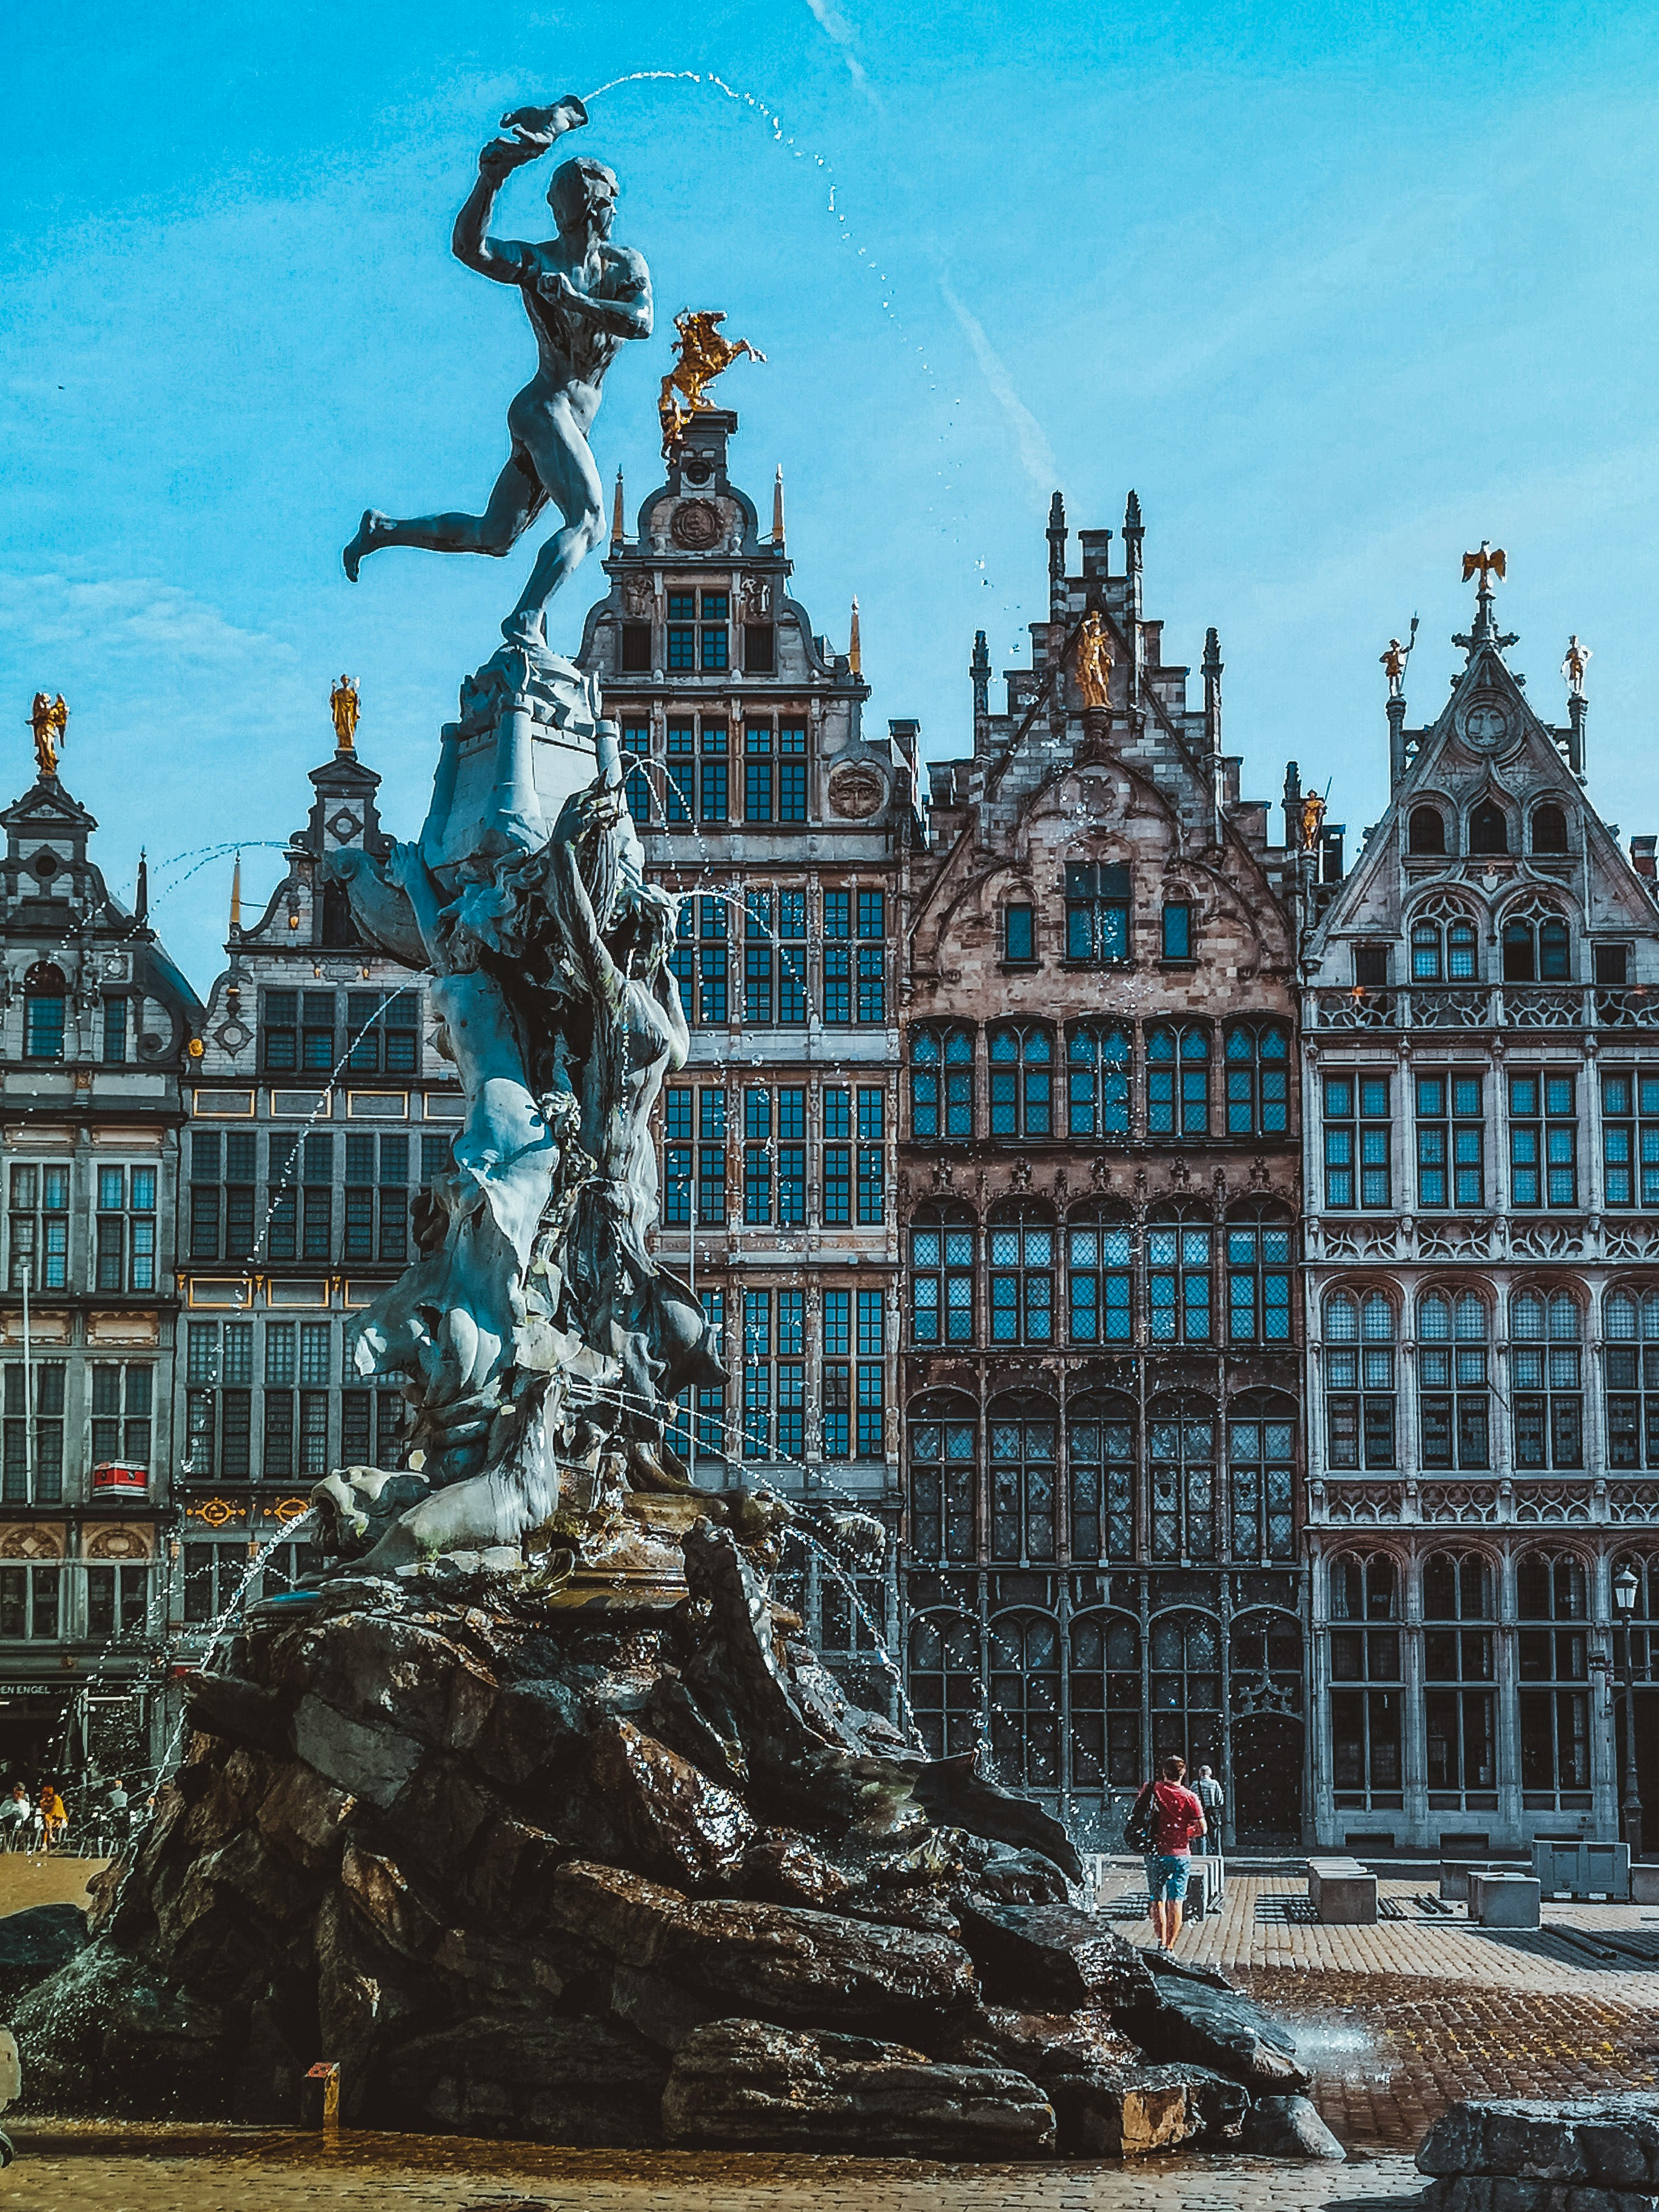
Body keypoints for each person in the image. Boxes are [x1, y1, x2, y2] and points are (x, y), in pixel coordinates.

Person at [343, 98, 653, 649]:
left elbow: (642, 322)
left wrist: (578, 301)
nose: (616, 213)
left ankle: (384, 530)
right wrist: (490, 181)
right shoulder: (539, 262)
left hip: (567, 420)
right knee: (589, 520)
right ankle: (526, 621)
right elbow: (470, 248)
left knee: (493, 537)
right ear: (594, 207)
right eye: (613, 201)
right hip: (545, 408)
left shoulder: (624, 265)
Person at [1131, 1754, 1207, 1952]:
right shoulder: (1191, 1798)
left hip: (1156, 1852)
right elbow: (1202, 1829)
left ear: (1164, 1772)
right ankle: (1170, 1947)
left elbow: (1140, 1812)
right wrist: (1186, 1833)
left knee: (1157, 1899)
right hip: (1180, 1855)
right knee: (1177, 1900)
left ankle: (1161, 1941)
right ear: (1183, 1775)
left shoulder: (1153, 1789)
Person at [1195, 1763, 1224, 1853]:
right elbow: (1220, 1800)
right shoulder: (1215, 1784)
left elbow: (1192, 1800)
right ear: (1210, 1774)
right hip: (1212, 1814)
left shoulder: (1195, 1785)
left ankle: (1202, 1854)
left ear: (1200, 1774)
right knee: (1214, 1837)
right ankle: (1215, 1854)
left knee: (1201, 1836)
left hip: (1199, 1815)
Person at [0, 1788, 27, 1852]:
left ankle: (8, 1847)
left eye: (19, 1794)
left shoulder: (24, 1804)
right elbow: (1, 1813)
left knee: (12, 1818)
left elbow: (25, 1817)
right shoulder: (7, 1803)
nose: (16, 1796)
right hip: (4, 1821)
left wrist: (19, 1805)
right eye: (15, 1794)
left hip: (18, 1823)